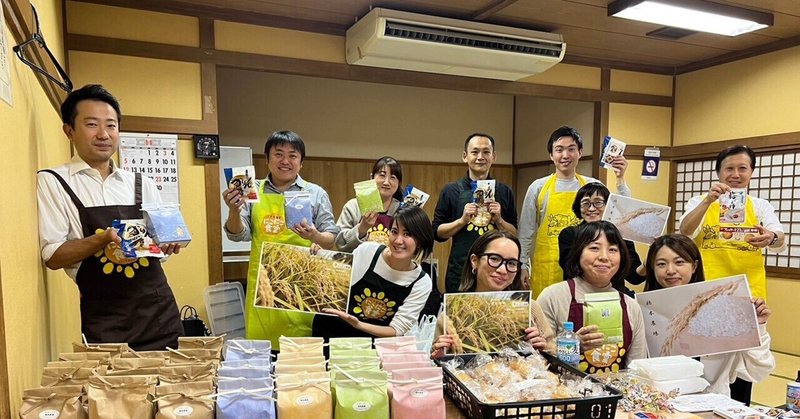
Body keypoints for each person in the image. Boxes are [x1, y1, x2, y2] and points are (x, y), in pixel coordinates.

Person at [36, 84, 183, 350]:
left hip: (159, 315)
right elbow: (53, 256)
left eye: (111, 125)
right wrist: (103, 239)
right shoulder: (54, 181)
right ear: (69, 130)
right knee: (112, 391)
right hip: (104, 319)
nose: (103, 134)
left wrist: (169, 244)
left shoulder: (142, 182)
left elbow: (161, 246)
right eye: (92, 124)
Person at [224, 130, 339, 349]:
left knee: (302, 353)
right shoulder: (251, 190)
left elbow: (330, 238)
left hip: (303, 283)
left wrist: (314, 235)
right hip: (263, 284)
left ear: (301, 162)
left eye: (292, 155)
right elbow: (239, 234)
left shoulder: (315, 193)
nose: (285, 161)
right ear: (267, 159)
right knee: (263, 351)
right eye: (278, 154)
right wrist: (233, 210)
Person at [644, 234, 775, 403]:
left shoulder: (724, 309)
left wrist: (758, 327)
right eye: (661, 264)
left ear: (694, 266)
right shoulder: (644, 311)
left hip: (712, 408)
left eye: (679, 262)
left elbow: (759, 370)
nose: (670, 270)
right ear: (652, 269)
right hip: (660, 405)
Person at [518, 126, 631, 297]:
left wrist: (620, 178)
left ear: (579, 153)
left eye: (571, 149)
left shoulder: (592, 185)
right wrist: (522, 265)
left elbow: (622, 213)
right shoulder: (538, 187)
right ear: (551, 155)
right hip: (546, 266)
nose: (565, 155)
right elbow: (526, 231)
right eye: (559, 150)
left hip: (583, 267)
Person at [678, 145, 786, 300]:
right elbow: (685, 231)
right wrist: (708, 201)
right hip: (706, 286)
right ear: (718, 173)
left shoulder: (760, 205)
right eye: (729, 168)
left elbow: (779, 238)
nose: (736, 174)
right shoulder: (698, 201)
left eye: (742, 168)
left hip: (748, 289)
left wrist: (771, 237)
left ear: (751, 172)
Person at [538, 221, 647, 373]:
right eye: (594, 248)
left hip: (616, 394)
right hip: (564, 393)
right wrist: (573, 346)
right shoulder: (552, 297)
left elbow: (636, 368)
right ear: (578, 253)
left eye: (613, 250)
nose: (604, 257)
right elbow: (537, 360)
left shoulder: (631, 306)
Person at [430, 230, 555, 358]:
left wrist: (543, 348)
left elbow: (554, 358)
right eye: (494, 259)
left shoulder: (531, 309)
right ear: (474, 261)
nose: (502, 270)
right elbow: (438, 363)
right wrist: (440, 354)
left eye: (511, 263)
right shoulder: (452, 315)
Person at [316, 206, 434, 338]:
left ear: (420, 240)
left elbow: (396, 330)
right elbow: (336, 281)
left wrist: (358, 324)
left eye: (407, 234)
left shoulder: (421, 282)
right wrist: (318, 257)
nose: (398, 240)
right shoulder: (368, 252)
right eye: (394, 231)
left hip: (374, 346)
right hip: (332, 331)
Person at [433, 133, 517, 293]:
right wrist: (462, 221)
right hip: (460, 269)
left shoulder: (505, 191)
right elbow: (437, 233)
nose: (480, 157)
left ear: (494, 156)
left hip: (497, 271)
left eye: (486, 152)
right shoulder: (451, 190)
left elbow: (514, 233)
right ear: (465, 156)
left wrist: (499, 220)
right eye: (475, 152)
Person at [558, 183, 645, 295]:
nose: (591, 208)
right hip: (579, 297)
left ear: (609, 205)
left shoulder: (621, 234)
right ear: (578, 207)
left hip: (614, 298)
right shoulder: (569, 234)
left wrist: (647, 264)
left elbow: (634, 278)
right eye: (585, 203)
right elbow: (571, 270)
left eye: (598, 202)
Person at [335, 156, 403, 252]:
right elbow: (340, 243)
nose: (387, 182)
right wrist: (361, 228)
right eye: (382, 175)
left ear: (399, 183)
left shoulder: (402, 210)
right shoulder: (353, 206)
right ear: (371, 178)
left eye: (393, 177)